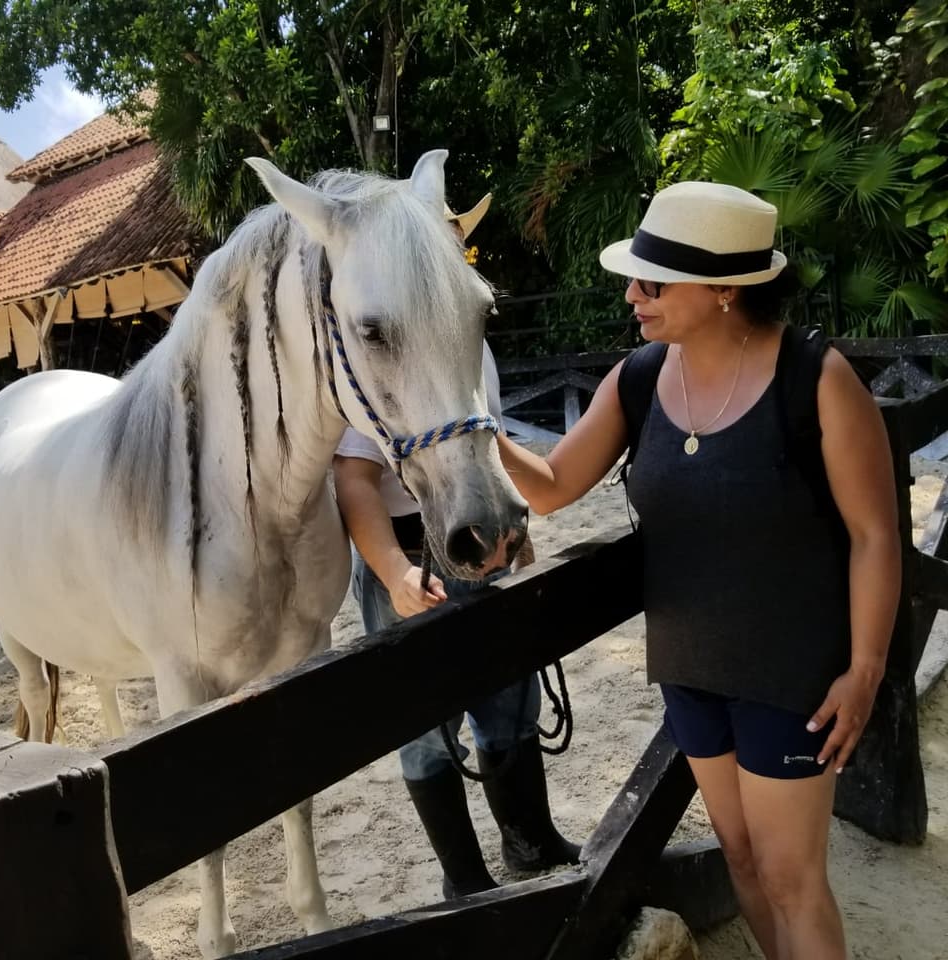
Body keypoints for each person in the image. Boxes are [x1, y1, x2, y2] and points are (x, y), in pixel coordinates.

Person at [497, 181, 900, 959]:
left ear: (723, 290)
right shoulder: (641, 376)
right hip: (689, 667)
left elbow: (875, 535)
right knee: (743, 858)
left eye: (652, 281)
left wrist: (867, 668)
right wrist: (467, 428)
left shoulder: (816, 380)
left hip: (794, 676)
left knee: (793, 878)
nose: (631, 293)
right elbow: (550, 489)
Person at [333, 194, 580, 902]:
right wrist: (393, 573)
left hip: (476, 533)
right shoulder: (386, 348)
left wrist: (515, 525)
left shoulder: (468, 337)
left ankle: (530, 845)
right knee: (422, 720)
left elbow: (487, 448)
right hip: (407, 548)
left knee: (508, 693)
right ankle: (464, 877)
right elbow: (355, 480)